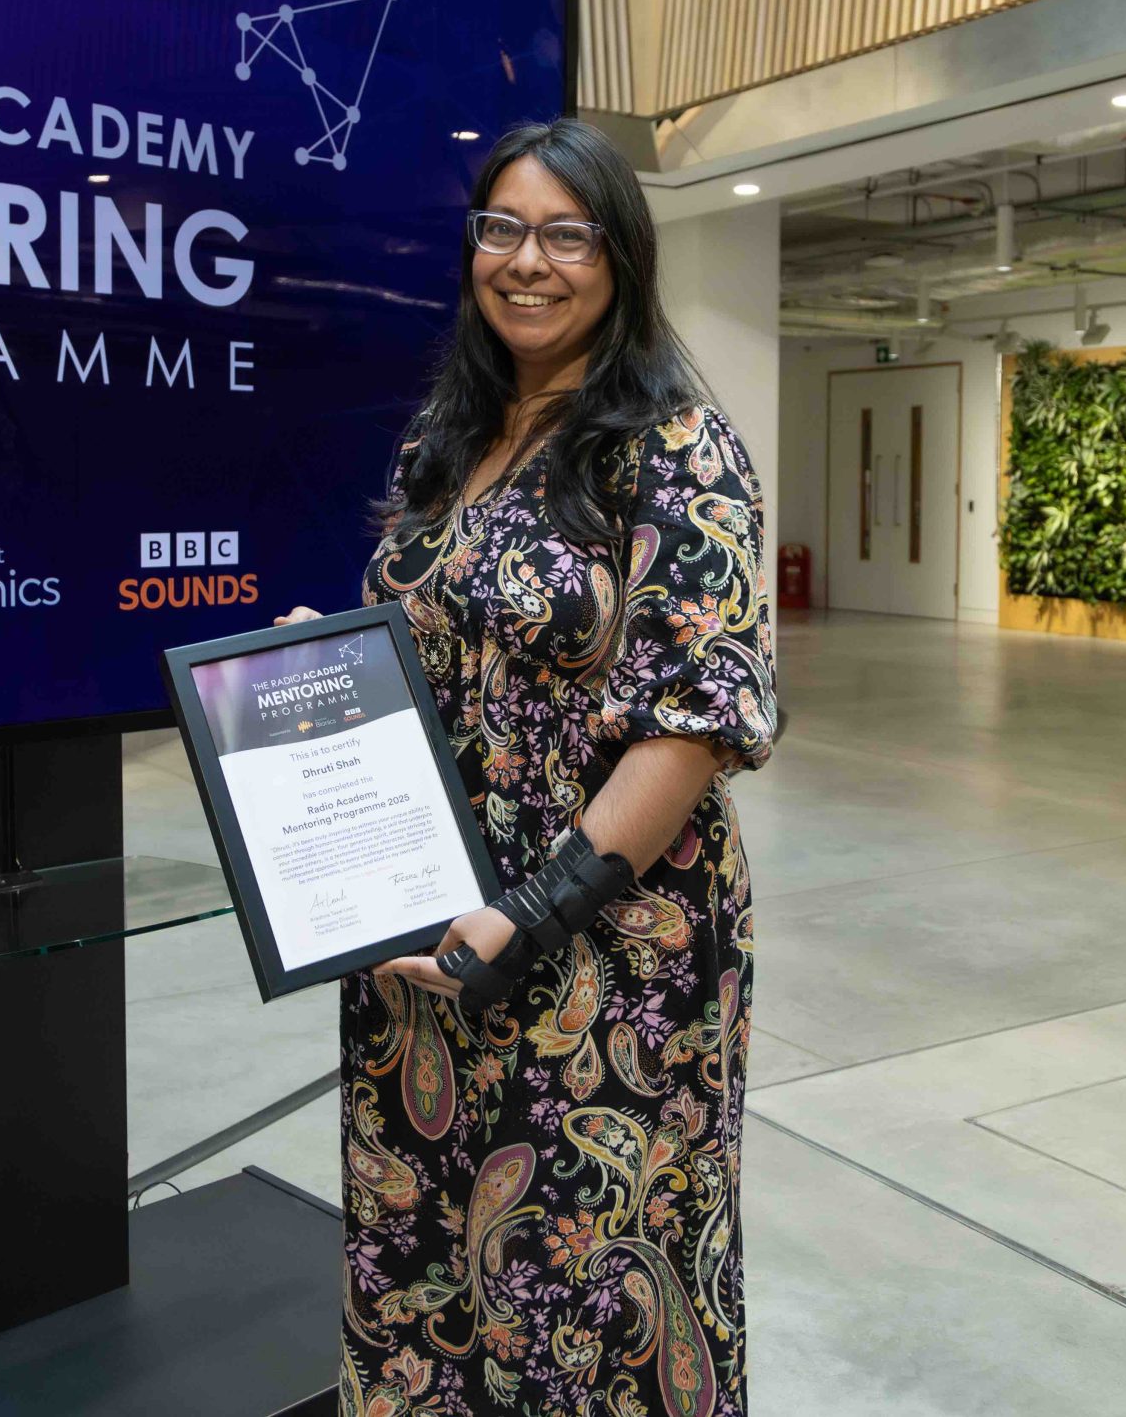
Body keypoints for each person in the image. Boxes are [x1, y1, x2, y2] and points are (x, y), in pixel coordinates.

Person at [277, 117, 778, 1417]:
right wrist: (312, 672)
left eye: (567, 232)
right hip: (422, 934)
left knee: (588, 1290)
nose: (528, 260)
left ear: (620, 256)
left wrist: (524, 916)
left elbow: (691, 723)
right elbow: (429, 661)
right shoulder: (447, 444)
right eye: (502, 228)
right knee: (425, 1270)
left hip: (602, 961)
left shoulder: (677, 448)